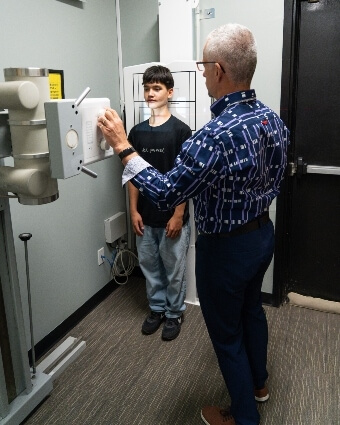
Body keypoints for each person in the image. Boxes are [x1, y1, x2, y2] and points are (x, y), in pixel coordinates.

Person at [98, 23, 289, 425]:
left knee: (226, 335)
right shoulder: (273, 120)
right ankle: (260, 384)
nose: (201, 73)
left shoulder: (212, 135)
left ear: (218, 69)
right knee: (252, 309)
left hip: (226, 251)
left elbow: (166, 194)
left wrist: (121, 147)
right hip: (262, 238)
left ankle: (244, 417)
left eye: (203, 66)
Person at [127, 65, 191, 341]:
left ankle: (174, 313)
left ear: (169, 92)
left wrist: (178, 215)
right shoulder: (137, 132)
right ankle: (156, 309)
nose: (150, 93)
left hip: (171, 218)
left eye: (157, 88)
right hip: (145, 216)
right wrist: (132, 210)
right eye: (147, 88)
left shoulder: (181, 131)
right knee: (150, 267)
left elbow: (186, 178)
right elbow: (132, 174)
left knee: (174, 271)